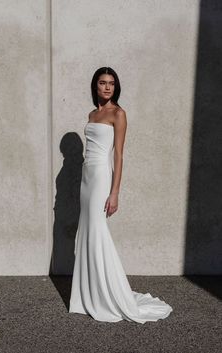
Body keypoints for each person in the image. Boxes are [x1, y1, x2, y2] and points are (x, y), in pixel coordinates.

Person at [69, 67, 173, 323]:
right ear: (95, 86)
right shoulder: (93, 113)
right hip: (86, 177)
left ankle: (109, 294)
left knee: (97, 231)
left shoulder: (118, 113)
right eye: (103, 83)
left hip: (103, 177)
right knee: (87, 232)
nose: (107, 87)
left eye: (111, 84)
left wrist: (115, 192)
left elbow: (118, 155)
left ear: (116, 87)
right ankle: (87, 295)